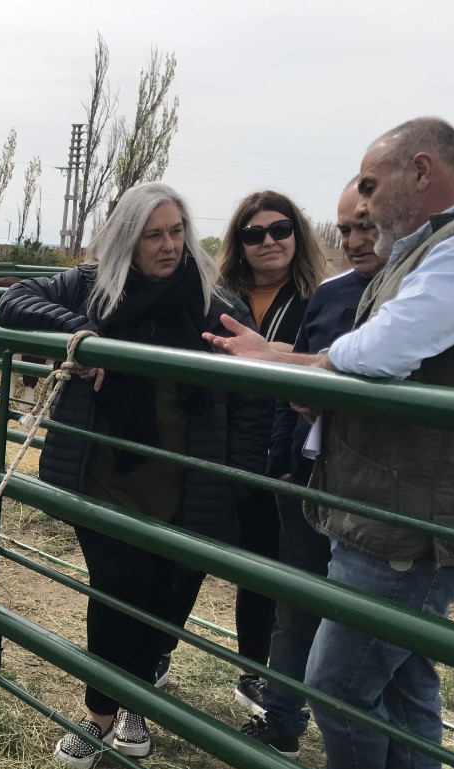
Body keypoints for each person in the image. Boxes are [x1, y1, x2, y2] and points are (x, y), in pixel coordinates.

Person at [204, 118, 454, 769]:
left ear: (422, 172)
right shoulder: (434, 251)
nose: (361, 201)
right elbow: (362, 359)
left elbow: (377, 354)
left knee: (338, 683)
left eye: (371, 183)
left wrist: (284, 362)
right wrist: (287, 359)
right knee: (405, 675)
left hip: (416, 522)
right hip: (399, 508)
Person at [0, 182, 269, 768]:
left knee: (167, 598)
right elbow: (14, 301)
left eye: (176, 231)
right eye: (153, 234)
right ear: (128, 238)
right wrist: (83, 335)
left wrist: (237, 476)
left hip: (190, 480)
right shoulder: (94, 288)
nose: (169, 245)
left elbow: (252, 401)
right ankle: (99, 713)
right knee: (118, 589)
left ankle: (137, 699)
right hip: (109, 474)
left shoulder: (213, 301)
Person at [240, 178, 388, 757]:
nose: (353, 239)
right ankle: (281, 718)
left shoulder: (415, 302)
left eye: (366, 227)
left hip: (368, 487)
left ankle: (351, 752)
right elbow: (290, 390)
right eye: (346, 228)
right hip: (306, 474)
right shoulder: (329, 296)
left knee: (358, 627)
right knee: (295, 600)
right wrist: (281, 463)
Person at [200, 191, 329, 717]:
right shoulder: (217, 295)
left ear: (297, 235)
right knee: (190, 553)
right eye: (254, 234)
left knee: (265, 567)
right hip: (216, 442)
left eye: (280, 230)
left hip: (280, 454)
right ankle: (156, 651)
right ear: (239, 244)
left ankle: (254, 669)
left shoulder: (317, 300)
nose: (268, 242)